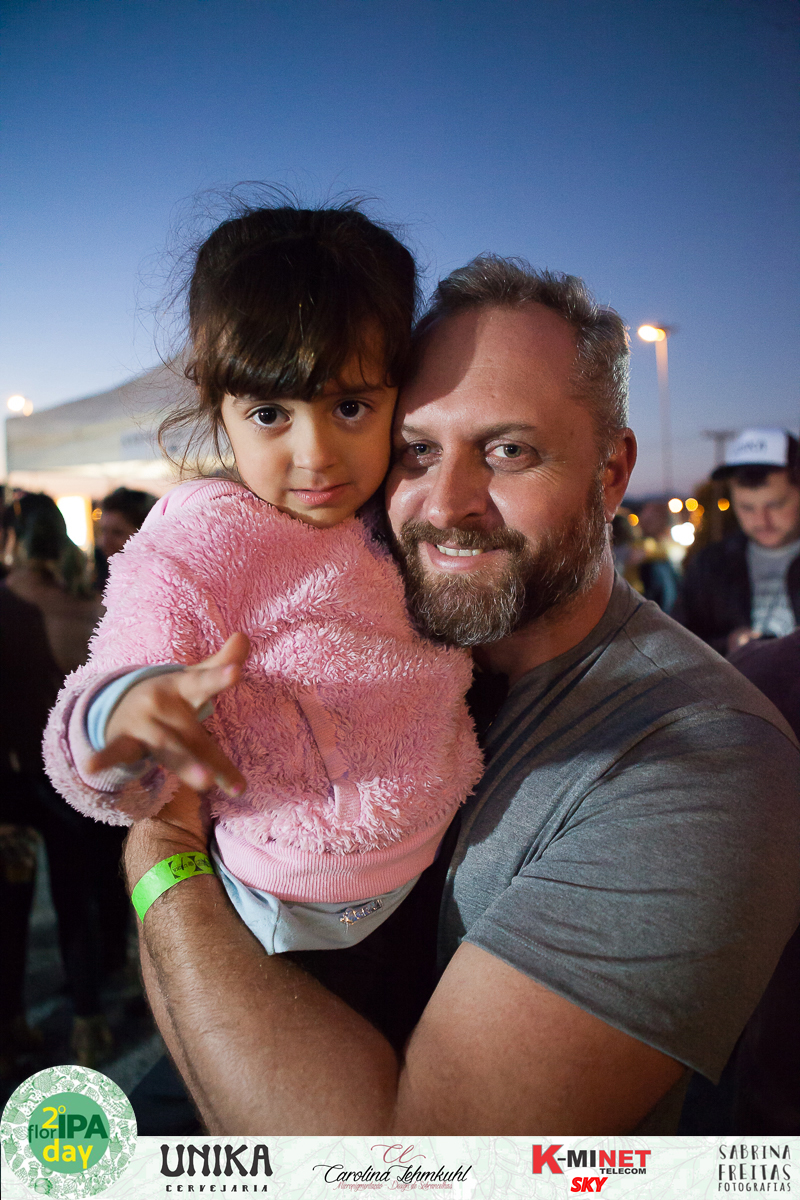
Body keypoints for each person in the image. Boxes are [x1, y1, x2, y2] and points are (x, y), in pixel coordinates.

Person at [118, 256, 800, 1135]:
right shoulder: (355, 654)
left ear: (612, 473)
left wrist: (160, 848)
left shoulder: (702, 769)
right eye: (417, 450)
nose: (446, 503)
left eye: (509, 451)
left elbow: (404, 1174)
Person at [43, 202, 481, 972]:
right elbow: (98, 692)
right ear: (221, 412)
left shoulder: (404, 510)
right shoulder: (198, 543)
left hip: (443, 865)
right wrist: (125, 709)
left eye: (350, 406)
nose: (316, 454)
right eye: (271, 413)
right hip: (292, 912)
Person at [673, 429, 800, 654]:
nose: (762, 520)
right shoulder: (710, 564)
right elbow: (675, 644)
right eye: (747, 508)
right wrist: (729, 645)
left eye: (776, 505)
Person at [93, 487, 158, 592]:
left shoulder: (154, 586)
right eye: (103, 531)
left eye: (117, 533)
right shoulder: (101, 572)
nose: (104, 542)